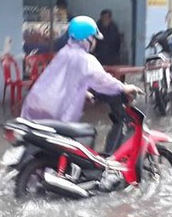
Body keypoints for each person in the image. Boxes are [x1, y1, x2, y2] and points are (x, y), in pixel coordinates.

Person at [21, 16, 142, 152]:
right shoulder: (85, 59)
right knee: (87, 135)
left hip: (33, 107)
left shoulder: (64, 52)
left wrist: (82, 92)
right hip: (55, 112)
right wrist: (124, 87)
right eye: (94, 38)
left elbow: (61, 79)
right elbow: (102, 80)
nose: (95, 42)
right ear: (88, 38)